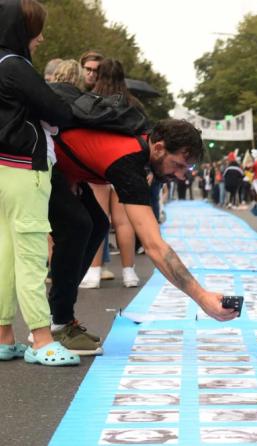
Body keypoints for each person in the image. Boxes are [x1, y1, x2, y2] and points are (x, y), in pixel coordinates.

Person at [48, 119, 238, 355]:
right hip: (33, 157)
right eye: (178, 165)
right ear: (158, 148)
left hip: (58, 162)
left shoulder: (141, 143)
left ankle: (57, 314)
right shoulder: (128, 160)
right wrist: (202, 298)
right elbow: (154, 246)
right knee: (78, 225)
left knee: (96, 224)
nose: (180, 176)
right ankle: (57, 323)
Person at [0, 0, 78, 366]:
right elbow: (60, 110)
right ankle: (42, 339)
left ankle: (4, 336)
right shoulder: (15, 66)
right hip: (23, 166)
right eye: (36, 30)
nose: (41, 38)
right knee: (31, 254)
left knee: (3, 255)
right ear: (21, 29)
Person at [78, 58, 148, 290]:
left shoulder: (91, 100)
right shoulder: (133, 103)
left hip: (97, 166)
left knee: (99, 220)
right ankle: (129, 273)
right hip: (125, 167)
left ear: (99, 76)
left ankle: (94, 272)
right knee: (123, 222)